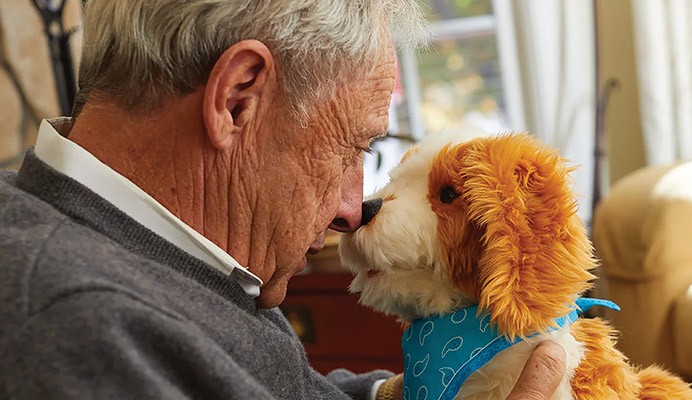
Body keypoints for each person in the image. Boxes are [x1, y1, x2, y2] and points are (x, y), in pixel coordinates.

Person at [0, 1, 565, 399]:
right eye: (352, 147)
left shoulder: (174, 252)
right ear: (238, 99)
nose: (351, 209)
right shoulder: (78, 324)